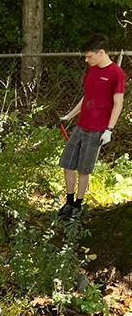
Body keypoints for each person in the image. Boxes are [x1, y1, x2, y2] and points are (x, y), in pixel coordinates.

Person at [57, 34, 125, 221]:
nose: (86, 60)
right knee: (67, 165)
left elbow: (118, 104)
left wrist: (109, 130)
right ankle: (68, 202)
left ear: (101, 53)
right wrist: (69, 116)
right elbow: (87, 97)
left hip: (97, 129)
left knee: (84, 170)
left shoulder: (116, 73)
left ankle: (78, 205)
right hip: (81, 126)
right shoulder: (92, 70)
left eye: (89, 56)